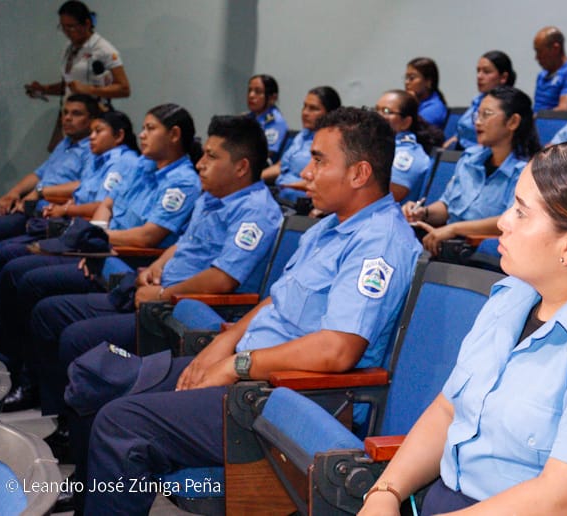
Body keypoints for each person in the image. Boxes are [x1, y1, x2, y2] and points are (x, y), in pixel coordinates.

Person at [70, 107, 421, 514]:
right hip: (248, 376)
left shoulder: (378, 244)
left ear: (359, 174)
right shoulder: (329, 226)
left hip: (285, 400)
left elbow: (337, 350)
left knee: (122, 423)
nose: (305, 172)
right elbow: (276, 302)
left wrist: (238, 365)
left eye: (319, 160)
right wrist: (221, 347)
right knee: (101, 378)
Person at [359, 141, 567, 515]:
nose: (503, 221)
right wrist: (385, 493)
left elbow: (563, 503)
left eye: (521, 212)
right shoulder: (514, 296)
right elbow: (449, 410)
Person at [28, 115, 281, 449]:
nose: (200, 164)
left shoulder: (256, 210)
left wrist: (162, 291)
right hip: (156, 295)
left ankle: (79, 446)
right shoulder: (213, 196)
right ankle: (69, 426)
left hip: (179, 312)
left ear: (241, 166)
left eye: (211, 156)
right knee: (51, 312)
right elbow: (183, 243)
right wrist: (156, 266)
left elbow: (222, 280)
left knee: (77, 339)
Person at [0, 103, 202, 412]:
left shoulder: (183, 181)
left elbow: (148, 237)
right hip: (102, 251)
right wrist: (95, 236)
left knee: (28, 280)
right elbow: (106, 204)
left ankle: (32, 386)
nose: (142, 136)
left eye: (150, 129)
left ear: (174, 135)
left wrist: (98, 240)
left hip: (125, 260)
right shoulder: (143, 166)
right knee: (17, 269)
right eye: (142, 128)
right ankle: (17, 374)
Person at [0, 110, 140, 321]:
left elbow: (101, 205)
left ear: (119, 136)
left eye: (98, 131)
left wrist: (66, 210)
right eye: (92, 131)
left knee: (10, 255)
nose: (91, 137)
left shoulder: (124, 162)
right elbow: (92, 198)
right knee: (5, 250)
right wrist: (66, 206)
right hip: (77, 229)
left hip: (92, 238)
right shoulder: (100, 159)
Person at [404, 86, 536, 256]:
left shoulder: (529, 171)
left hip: (489, 255)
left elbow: (512, 221)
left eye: (486, 115)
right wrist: (423, 212)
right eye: (477, 114)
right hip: (448, 244)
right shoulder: (469, 158)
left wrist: (455, 229)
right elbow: (447, 206)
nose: (478, 122)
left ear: (513, 122)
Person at [0, 94, 99, 263]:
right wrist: (13, 193)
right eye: (65, 112)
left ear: (91, 120)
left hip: (48, 210)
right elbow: (38, 174)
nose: (67, 118)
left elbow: (84, 185)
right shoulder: (65, 143)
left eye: (76, 114)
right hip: (31, 201)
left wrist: (40, 193)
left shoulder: (92, 148)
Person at [24, 1, 131, 150]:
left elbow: (124, 88)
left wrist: (89, 90)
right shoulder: (69, 48)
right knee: (60, 156)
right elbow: (70, 85)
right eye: (63, 27)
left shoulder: (103, 50)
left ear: (86, 24)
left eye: (71, 27)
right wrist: (44, 89)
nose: (67, 32)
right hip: (69, 113)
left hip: (92, 116)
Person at [261, 86, 342, 204]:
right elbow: (280, 166)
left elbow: (322, 183)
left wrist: (284, 187)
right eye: (304, 106)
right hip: (279, 195)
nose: (305, 113)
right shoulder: (303, 135)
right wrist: (253, 179)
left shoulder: (332, 142)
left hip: (301, 202)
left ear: (330, 113)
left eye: (313, 108)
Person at [375, 90, 442, 202]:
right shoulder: (379, 145)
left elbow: (382, 198)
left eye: (386, 111)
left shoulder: (407, 155)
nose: (377, 116)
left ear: (406, 122)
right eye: (376, 110)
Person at [444, 51, 516, 149]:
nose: (479, 76)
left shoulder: (508, 105)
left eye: (486, 72)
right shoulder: (478, 99)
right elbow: (462, 127)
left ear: (503, 77)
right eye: (478, 71)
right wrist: (455, 138)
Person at [532, 26, 567, 111]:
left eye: (540, 51)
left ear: (555, 48)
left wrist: (535, 118)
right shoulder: (542, 75)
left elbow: (563, 111)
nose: (537, 57)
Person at [247, 74, 288, 161]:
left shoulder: (275, 122)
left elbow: (265, 154)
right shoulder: (248, 117)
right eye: (249, 90)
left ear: (272, 98)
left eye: (257, 92)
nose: (251, 95)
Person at [405, 57, 448, 129]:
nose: (407, 82)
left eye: (412, 78)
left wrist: (411, 105)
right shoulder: (418, 103)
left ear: (428, 82)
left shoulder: (434, 109)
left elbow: (412, 131)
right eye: (406, 78)